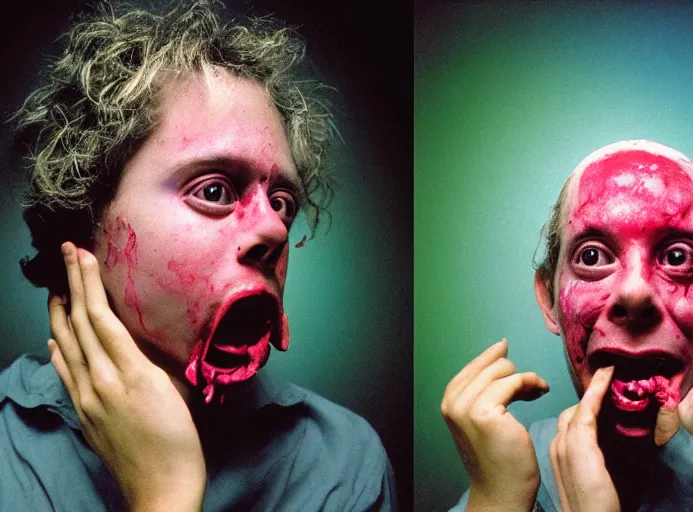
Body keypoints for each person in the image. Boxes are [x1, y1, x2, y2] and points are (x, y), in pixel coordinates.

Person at [0, 1, 396, 509]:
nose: (273, 228)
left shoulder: (342, 464)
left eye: (282, 203)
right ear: (85, 219)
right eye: (214, 191)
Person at [443, 140, 693, 510]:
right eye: (592, 256)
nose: (635, 293)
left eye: (677, 258)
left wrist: (686, 464)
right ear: (549, 299)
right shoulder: (505, 475)